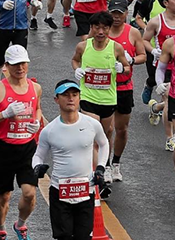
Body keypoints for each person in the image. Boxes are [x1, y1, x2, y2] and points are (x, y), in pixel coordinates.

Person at [32, 80, 110, 240]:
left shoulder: (92, 124)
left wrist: (101, 168)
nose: (71, 98)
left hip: (85, 190)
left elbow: (104, 144)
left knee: (83, 237)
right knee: (64, 237)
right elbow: (38, 154)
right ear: (56, 99)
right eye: (65, 95)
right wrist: (37, 167)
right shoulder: (49, 130)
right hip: (59, 191)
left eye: (74, 95)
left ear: (79, 98)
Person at [0, 45, 42, 240]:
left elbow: (37, 108)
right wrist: (5, 114)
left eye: (23, 63)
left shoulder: (35, 88)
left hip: (28, 148)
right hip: (4, 149)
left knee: (29, 193)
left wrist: (36, 122)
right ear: (6, 65)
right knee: (4, 195)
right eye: (15, 64)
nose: (20, 68)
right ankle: (0, 229)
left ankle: (20, 225)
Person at [71, 11, 130, 182]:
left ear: (110, 29)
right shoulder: (83, 46)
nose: (101, 32)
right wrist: (77, 69)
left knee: (105, 136)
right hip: (88, 97)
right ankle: (97, 174)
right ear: (92, 28)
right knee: (93, 135)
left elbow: (127, 67)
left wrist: (122, 68)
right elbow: (75, 60)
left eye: (105, 28)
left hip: (108, 99)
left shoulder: (116, 48)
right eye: (97, 27)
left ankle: (105, 166)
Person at [105, 0, 145, 181]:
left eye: (119, 14)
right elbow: (87, 49)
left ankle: (116, 163)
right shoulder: (101, 31)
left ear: (126, 14)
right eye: (113, 13)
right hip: (104, 87)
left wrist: (131, 60)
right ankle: (104, 165)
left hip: (124, 87)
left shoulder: (133, 33)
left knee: (121, 129)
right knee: (107, 129)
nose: (116, 17)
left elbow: (143, 55)